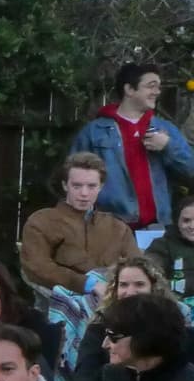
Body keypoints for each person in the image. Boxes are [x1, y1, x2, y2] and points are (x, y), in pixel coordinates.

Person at [69, 60, 194, 227]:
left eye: (158, 87)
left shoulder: (166, 130)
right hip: (109, 227)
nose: (157, 92)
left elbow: (191, 172)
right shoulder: (94, 132)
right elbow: (73, 179)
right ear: (129, 89)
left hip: (157, 229)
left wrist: (168, 146)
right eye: (151, 86)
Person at [20, 153, 138, 295]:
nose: (84, 193)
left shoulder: (118, 228)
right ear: (65, 185)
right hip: (59, 300)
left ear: (101, 187)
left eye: (91, 186)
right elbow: (37, 266)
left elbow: (139, 268)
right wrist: (87, 284)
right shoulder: (42, 222)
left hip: (115, 300)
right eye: (77, 186)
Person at [73, 254, 179, 381]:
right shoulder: (99, 327)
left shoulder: (171, 326)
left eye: (139, 284)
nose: (130, 292)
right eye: (123, 285)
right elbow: (84, 378)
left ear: (154, 288)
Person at [145, 197, 194, 297]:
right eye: (186, 220)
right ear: (177, 222)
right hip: (174, 302)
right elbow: (151, 275)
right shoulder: (161, 245)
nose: (192, 226)